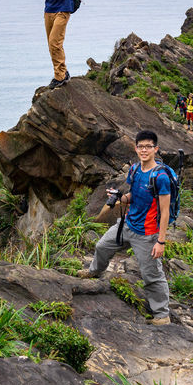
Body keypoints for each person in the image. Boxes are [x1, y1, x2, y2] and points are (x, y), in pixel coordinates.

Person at [78, 130, 171, 325]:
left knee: (151, 275)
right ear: (136, 148)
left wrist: (160, 241)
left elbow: (165, 211)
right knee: (102, 246)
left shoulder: (161, 177)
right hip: (127, 225)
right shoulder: (135, 170)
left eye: (148, 146)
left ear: (156, 149)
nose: (144, 150)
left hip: (147, 234)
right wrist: (120, 198)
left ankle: (162, 315)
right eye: (140, 146)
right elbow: (133, 196)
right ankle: (95, 270)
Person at [4, 0, 120, 88]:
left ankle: (60, 76)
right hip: (48, 12)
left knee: (54, 42)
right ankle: (61, 73)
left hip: (63, 11)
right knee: (52, 45)